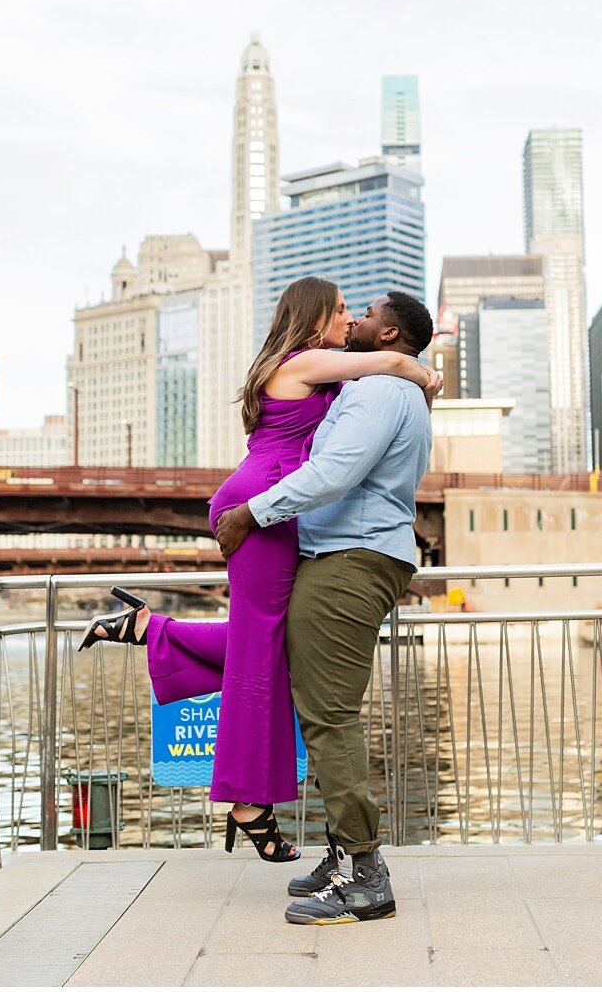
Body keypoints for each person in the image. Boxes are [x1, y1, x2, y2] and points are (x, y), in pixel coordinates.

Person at [77, 278, 441, 863]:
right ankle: (247, 800)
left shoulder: (340, 374)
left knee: (265, 642)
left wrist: (415, 379)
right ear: (316, 316)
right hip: (263, 507)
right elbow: (394, 363)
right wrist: (422, 374)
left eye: (359, 311)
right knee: (260, 645)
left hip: (273, 508)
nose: (351, 320)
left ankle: (151, 632)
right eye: (344, 310)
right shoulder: (308, 362)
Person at [215, 291, 436, 927]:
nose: (354, 321)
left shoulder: (375, 391)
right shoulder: (390, 390)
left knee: (330, 715)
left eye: (364, 314)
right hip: (352, 555)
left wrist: (251, 512)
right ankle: (342, 854)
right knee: (319, 708)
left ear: (389, 334)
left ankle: (365, 876)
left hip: (349, 560)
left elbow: (335, 471)